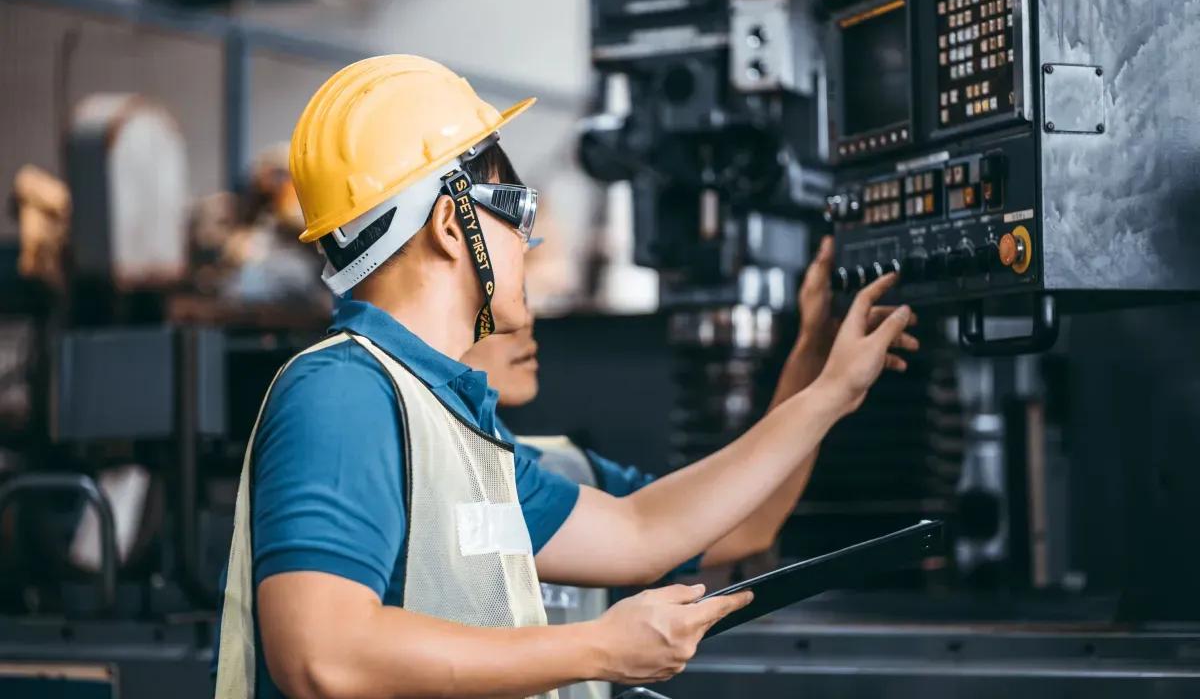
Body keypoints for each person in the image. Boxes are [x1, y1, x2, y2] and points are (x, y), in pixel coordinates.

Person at [213, 54, 917, 699]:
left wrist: (831, 392)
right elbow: (322, 653)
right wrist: (598, 648)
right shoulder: (343, 394)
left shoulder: (454, 424)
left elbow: (642, 531)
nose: (530, 237)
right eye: (514, 208)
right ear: (450, 227)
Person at [463, 234, 894, 573]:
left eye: (523, 293)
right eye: (504, 294)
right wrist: (832, 392)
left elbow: (743, 524)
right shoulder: (460, 475)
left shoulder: (562, 471)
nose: (523, 319)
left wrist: (815, 355)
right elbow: (641, 533)